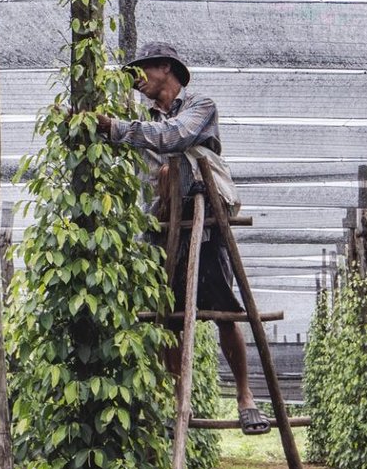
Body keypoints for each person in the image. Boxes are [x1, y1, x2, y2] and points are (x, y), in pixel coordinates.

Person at [97, 42, 271, 434]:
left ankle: (245, 397)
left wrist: (118, 129)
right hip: (161, 228)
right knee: (168, 318)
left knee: (225, 309)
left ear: (165, 68)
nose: (137, 81)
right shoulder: (143, 120)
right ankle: (179, 400)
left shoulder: (199, 105)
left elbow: (174, 137)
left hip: (205, 222)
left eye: (142, 71)